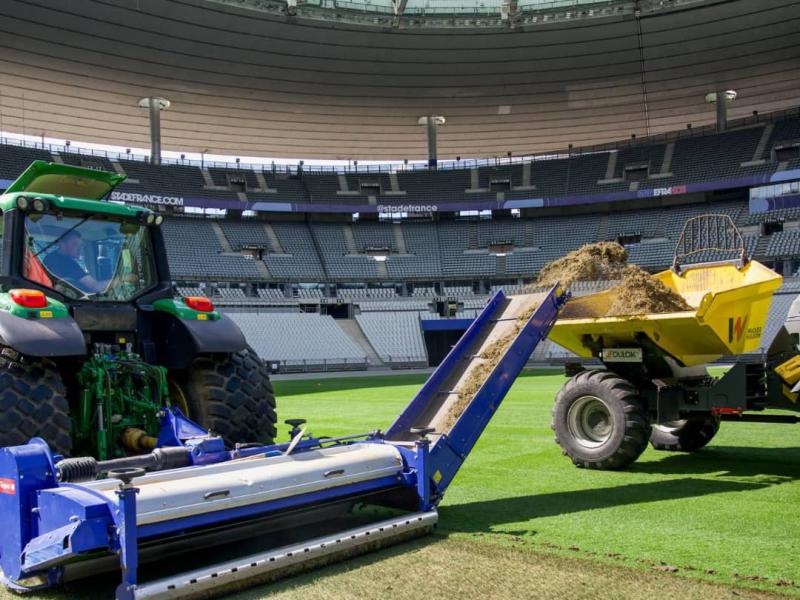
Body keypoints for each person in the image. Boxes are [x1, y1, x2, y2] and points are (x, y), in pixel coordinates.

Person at [43, 230, 108, 294]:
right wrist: (116, 281)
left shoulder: (49, 258)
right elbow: (94, 286)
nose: (79, 249)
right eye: (75, 245)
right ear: (62, 244)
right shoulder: (67, 263)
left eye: (80, 246)